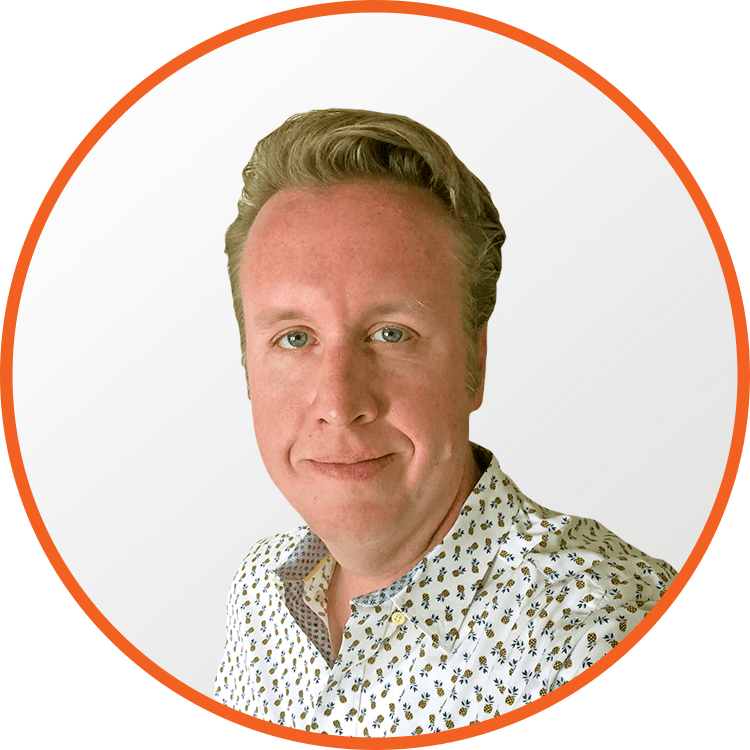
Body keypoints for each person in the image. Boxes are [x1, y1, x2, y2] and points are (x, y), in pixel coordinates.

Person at [213, 109, 677, 736]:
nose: (340, 402)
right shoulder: (260, 593)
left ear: (474, 363)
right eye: (295, 338)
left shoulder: (595, 634)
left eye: (391, 334)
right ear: (248, 369)